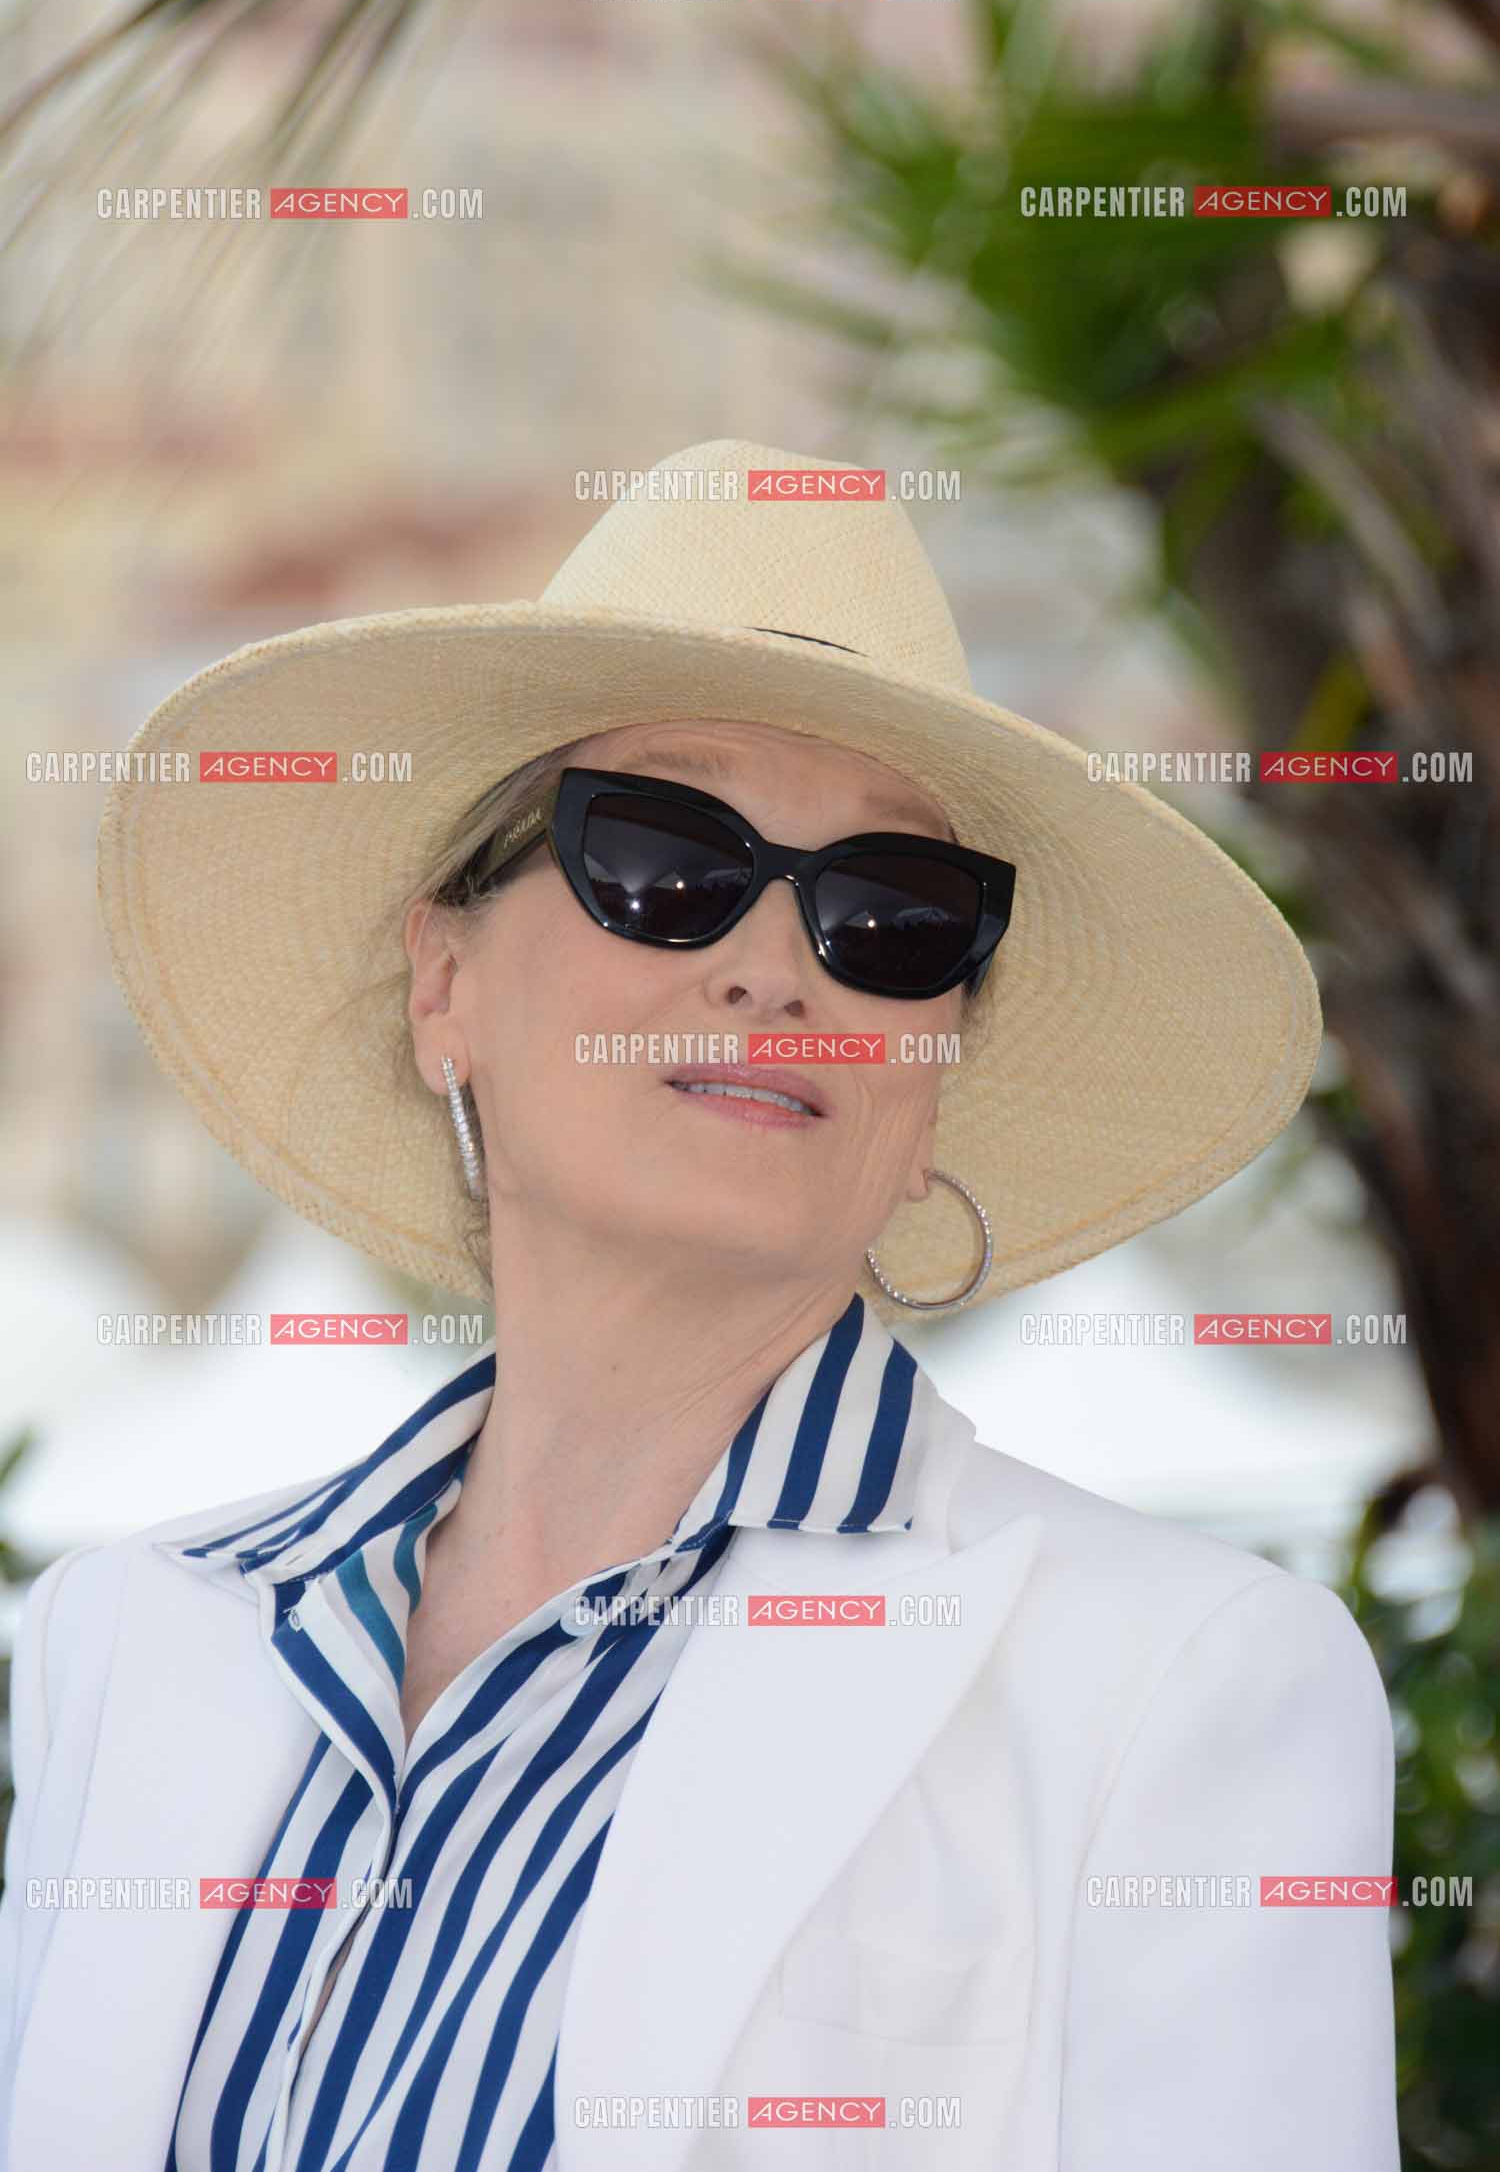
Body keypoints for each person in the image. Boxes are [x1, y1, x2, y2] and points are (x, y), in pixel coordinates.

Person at [0, 441, 1397, 2171]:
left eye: (892, 916)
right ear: (446, 983)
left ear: (932, 1076)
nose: (774, 966)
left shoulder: (1179, 1683)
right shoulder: (128, 1638)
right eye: (663, 856)